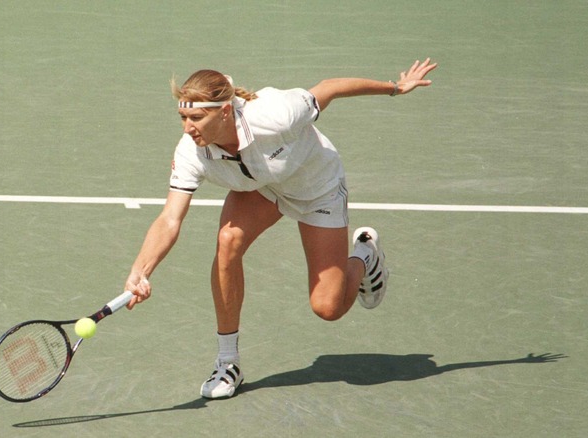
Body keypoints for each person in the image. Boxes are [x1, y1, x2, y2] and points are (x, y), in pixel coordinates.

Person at [123, 58, 437, 399]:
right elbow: (170, 218)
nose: (187, 127)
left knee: (327, 308)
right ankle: (228, 362)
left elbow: (329, 87)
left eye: (196, 117)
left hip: (316, 187)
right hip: (261, 190)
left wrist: (394, 87)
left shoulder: (276, 114)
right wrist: (141, 271)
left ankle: (364, 255)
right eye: (183, 117)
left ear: (225, 111)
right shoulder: (190, 153)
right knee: (228, 241)